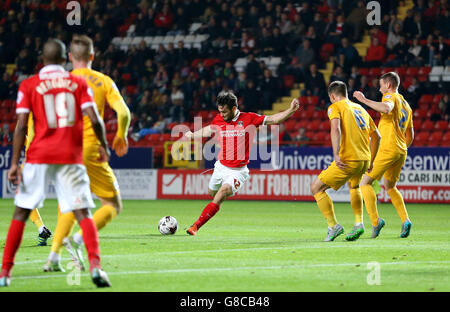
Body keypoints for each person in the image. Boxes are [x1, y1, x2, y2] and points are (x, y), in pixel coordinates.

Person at [0, 39, 111, 287]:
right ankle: (95, 267)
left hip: (38, 155)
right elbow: (95, 119)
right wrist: (103, 146)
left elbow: (20, 127)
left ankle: (5, 273)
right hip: (70, 156)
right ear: (65, 59)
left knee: (21, 211)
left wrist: (15, 163)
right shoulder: (78, 83)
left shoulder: (29, 85)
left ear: (43, 59)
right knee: (83, 212)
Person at [42, 35, 131, 272]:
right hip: (90, 149)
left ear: (70, 58)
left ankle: (53, 257)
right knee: (112, 204)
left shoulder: (60, 81)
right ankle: (78, 240)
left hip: (62, 150)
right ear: (92, 56)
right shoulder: (103, 81)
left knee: (68, 205)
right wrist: (120, 136)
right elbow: (123, 113)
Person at [184, 91, 299, 235]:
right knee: (212, 193)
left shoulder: (249, 118)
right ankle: (224, 193)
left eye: (224, 112)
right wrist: (193, 134)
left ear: (233, 109)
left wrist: (290, 110)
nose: (222, 115)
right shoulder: (219, 119)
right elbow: (209, 129)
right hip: (220, 166)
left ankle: (195, 226)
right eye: (220, 111)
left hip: (238, 171)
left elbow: (273, 120)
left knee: (222, 193)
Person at [310, 81, 380, 242]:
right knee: (354, 186)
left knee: (316, 188)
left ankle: (333, 226)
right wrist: (372, 160)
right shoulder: (360, 109)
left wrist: (336, 153)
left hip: (349, 159)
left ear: (332, 96)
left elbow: (336, 128)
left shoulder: (335, 107)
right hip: (364, 159)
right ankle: (359, 223)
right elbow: (377, 136)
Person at [353, 72, 414, 239]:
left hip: (388, 148)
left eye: (381, 85)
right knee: (390, 186)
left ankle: (375, 221)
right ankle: (405, 220)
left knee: (365, 182)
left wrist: (364, 100)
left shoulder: (389, 96)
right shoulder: (407, 105)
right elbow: (411, 135)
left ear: (388, 85)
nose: (380, 89)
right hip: (401, 151)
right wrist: (401, 148)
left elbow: (386, 108)